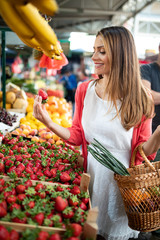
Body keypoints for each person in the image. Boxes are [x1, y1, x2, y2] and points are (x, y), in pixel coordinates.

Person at [33, 26, 160, 240]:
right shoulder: (85, 90)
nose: (93, 57)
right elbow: (76, 136)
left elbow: (143, 153)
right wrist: (48, 121)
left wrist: (158, 135)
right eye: (94, 50)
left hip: (121, 191)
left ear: (120, 55)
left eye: (102, 51)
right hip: (90, 183)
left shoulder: (141, 98)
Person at [140, 44, 160, 239]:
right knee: (149, 186)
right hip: (151, 138)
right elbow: (147, 97)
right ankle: (147, 225)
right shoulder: (146, 69)